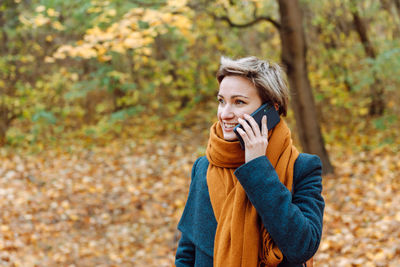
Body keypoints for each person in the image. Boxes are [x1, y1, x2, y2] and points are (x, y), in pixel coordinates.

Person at [175, 56, 325, 267]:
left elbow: (302, 246)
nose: (225, 114)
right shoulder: (204, 168)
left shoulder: (302, 167)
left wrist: (258, 168)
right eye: (221, 101)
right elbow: (187, 254)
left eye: (239, 102)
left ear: (270, 109)